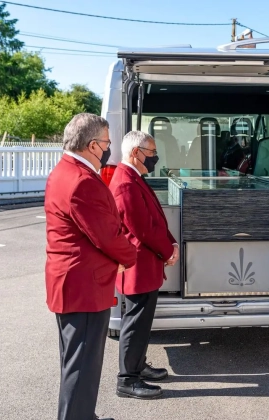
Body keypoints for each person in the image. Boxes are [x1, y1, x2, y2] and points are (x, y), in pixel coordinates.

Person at [45, 113, 137, 420]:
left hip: (73, 284)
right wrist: (128, 258)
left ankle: (84, 415)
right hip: (83, 287)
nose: (109, 149)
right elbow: (108, 235)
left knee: (77, 364)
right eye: (108, 143)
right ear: (93, 145)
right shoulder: (82, 181)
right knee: (82, 367)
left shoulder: (65, 171)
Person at [108, 131, 180, 399]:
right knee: (135, 323)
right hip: (137, 267)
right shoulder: (126, 183)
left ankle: (138, 366)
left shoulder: (132, 177)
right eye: (151, 153)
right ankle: (127, 379)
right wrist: (167, 250)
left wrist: (170, 244)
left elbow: (154, 220)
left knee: (141, 321)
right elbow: (143, 229)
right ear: (136, 152)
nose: (154, 158)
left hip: (144, 265)